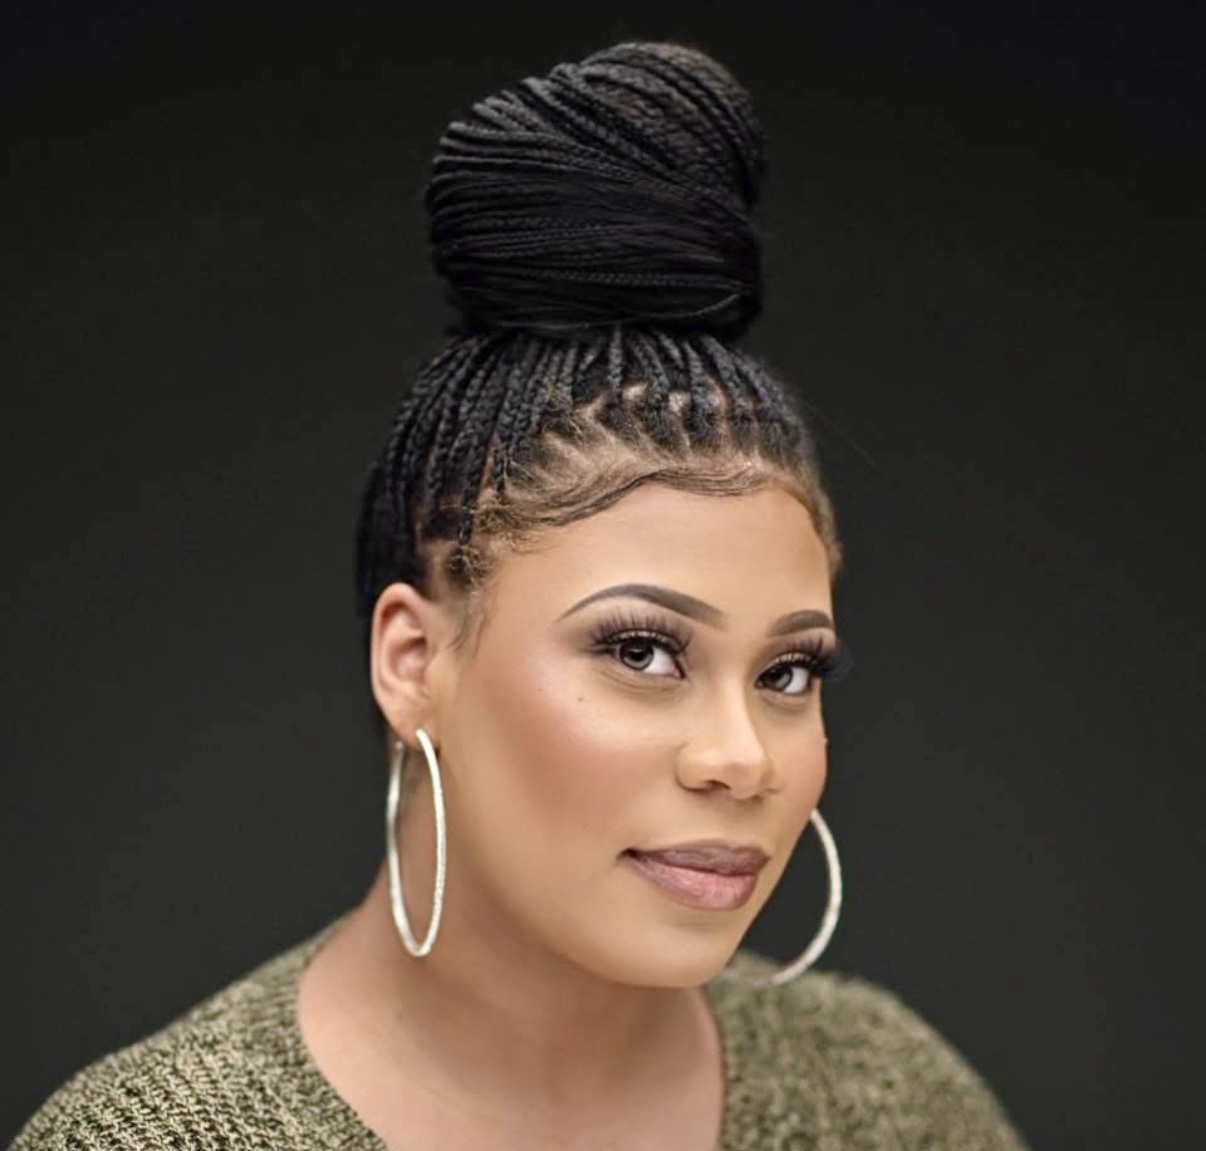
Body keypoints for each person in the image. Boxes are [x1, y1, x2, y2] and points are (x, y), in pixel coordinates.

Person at [10, 41, 1029, 1151]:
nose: (744, 759)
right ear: (413, 661)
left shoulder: (896, 1104)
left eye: (788, 672)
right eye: (642, 650)